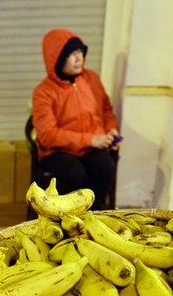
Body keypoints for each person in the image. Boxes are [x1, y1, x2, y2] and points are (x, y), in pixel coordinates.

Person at [31, 28, 120, 210]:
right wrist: (90, 139)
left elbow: (106, 110)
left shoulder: (92, 79)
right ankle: (64, 218)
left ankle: (93, 216)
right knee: (73, 172)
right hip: (57, 151)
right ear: (56, 59)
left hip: (90, 147)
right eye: (71, 54)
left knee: (104, 167)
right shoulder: (43, 92)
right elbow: (48, 135)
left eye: (80, 52)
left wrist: (111, 129)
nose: (79, 58)